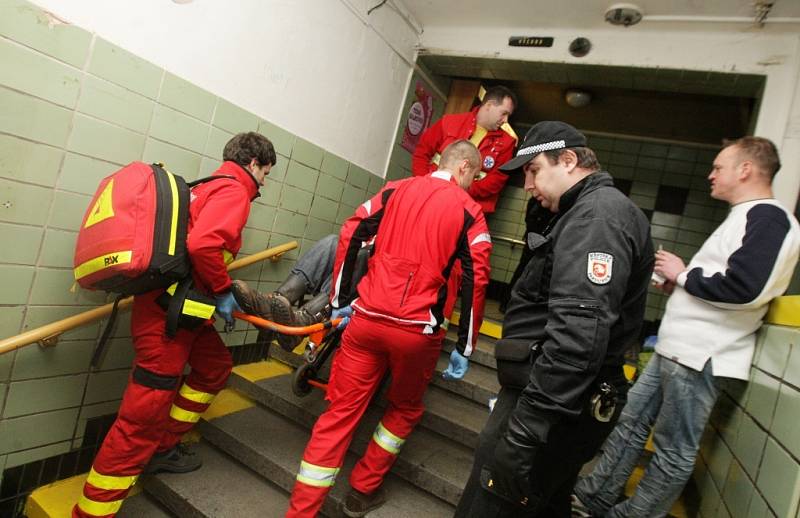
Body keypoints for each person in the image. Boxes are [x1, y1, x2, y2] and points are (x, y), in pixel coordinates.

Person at [572, 136, 800, 518]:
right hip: (678, 349)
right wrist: (680, 281)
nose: (711, 175)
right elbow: (725, 280)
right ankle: (593, 497)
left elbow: (747, 288)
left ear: (745, 169)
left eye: (718, 167)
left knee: (673, 449)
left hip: (701, 355)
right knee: (630, 423)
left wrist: (683, 276)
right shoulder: (748, 215)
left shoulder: (770, 217)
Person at [454, 121, 654, 518]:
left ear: (568, 160)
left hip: (555, 403)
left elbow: (577, 338)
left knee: (492, 504)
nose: (527, 185)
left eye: (533, 171)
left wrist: (524, 434)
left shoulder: (596, 217)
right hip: (558, 397)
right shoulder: (584, 210)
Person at [73, 132, 276, 518]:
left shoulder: (206, 186)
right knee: (140, 419)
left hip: (178, 310)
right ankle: (90, 512)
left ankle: (164, 446)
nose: (264, 181)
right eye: (266, 172)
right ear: (253, 163)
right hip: (168, 319)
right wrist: (222, 290)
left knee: (214, 367)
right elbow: (202, 245)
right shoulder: (234, 191)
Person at [285, 140, 492, 517]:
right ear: (463, 167)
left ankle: (301, 512)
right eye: (474, 176)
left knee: (339, 414)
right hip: (416, 333)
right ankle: (362, 490)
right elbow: (477, 278)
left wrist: (339, 299)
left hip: (365, 322)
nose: (473, 183)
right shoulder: (469, 212)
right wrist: (467, 345)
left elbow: (351, 232)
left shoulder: (395, 189)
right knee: (404, 408)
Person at [231, 233, 370, 352]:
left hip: (373, 288)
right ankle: (279, 298)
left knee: (362, 255)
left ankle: (304, 320)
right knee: (334, 242)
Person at [412, 85, 517, 214]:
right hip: (430, 196)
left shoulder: (506, 143)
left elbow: (496, 181)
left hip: (467, 207)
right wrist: (425, 185)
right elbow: (421, 153)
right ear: (489, 105)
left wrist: (459, 190)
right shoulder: (450, 122)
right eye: (504, 113)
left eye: (508, 116)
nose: (506, 120)